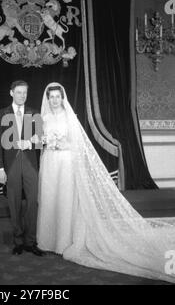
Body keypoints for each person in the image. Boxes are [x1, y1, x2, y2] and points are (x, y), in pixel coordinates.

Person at [37, 82, 175, 283]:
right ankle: (47, 240)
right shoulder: (44, 118)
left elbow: (76, 145)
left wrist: (61, 143)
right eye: (52, 97)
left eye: (58, 96)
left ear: (62, 98)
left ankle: (63, 242)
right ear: (47, 98)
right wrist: (48, 142)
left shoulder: (70, 117)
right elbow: (41, 141)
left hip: (66, 163)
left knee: (66, 200)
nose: (55, 100)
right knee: (50, 199)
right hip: (50, 162)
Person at [0, 80, 44, 256]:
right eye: (19, 92)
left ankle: (31, 241)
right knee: (14, 203)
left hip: (30, 163)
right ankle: (18, 241)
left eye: (25, 93)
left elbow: (40, 140)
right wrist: (0, 168)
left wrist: (31, 142)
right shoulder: (1, 114)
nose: (22, 95)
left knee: (33, 202)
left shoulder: (34, 113)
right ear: (11, 93)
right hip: (11, 164)